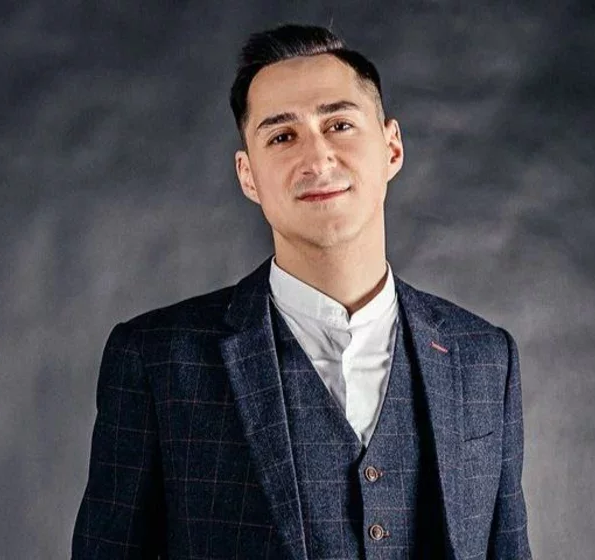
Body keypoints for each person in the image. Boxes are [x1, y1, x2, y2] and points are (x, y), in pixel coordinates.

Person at [72, 23, 531, 559]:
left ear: (391, 147)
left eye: (339, 124)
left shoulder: (484, 358)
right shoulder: (158, 359)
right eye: (282, 137)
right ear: (248, 175)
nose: (317, 159)